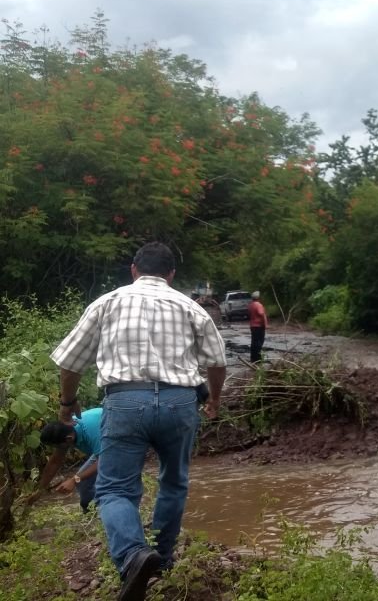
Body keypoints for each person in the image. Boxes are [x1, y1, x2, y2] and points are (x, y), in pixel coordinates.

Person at [50, 241, 226, 601]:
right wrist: (215, 401)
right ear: (171, 274)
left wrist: (67, 404)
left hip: (125, 400)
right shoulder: (191, 307)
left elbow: (70, 364)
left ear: (134, 269)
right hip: (181, 402)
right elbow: (217, 362)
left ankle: (133, 555)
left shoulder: (107, 302)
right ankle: (162, 557)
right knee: (174, 482)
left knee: (115, 489)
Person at [32, 407, 104, 512]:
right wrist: (40, 489)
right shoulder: (65, 432)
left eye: (58, 446)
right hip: (103, 450)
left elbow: (103, 462)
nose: (58, 449)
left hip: (123, 441)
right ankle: (92, 513)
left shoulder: (91, 432)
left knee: (112, 482)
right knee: (82, 481)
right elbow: (55, 462)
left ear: (69, 439)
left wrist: (73, 480)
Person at [248, 290, 268, 363]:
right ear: (258, 297)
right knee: (259, 342)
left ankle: (253, 358)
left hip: (253, 326)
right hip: (259, 326)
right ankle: (258, 358)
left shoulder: (251, 305)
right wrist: (264, 324)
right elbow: (261, 314)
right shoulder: (258, 305)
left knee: (254, 342)